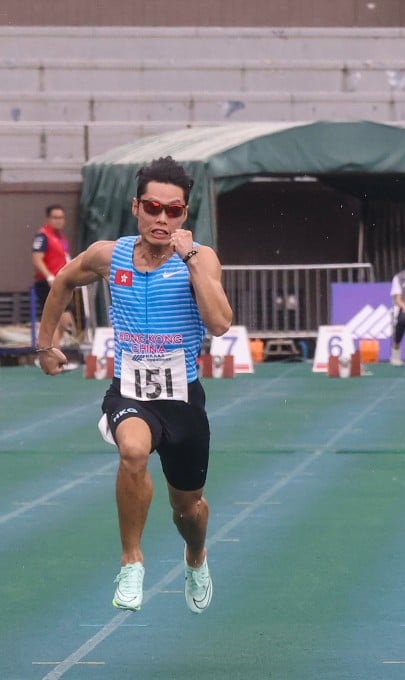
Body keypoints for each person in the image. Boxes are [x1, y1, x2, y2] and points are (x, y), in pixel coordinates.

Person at [36, 156, 233, 615]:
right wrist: (46, 344)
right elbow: (64, 279)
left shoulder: (200, 259)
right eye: (153, 207)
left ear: (186, 214)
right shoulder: (111, 254)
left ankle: (196, 556)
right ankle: (131, 561)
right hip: (130, 390)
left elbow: (221, 322)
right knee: (132, 452)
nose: (162, 219)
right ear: (136, 207)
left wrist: (189, 259)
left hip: (182, 398)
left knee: (189, 511)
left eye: (174, 211)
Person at [31, 203, 76, 352]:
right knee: (55, 320)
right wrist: (49, 277)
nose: (59, 220)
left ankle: (54, 350)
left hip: (62, 283)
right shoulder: (43, 236)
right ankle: (54, 355)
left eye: (61, 217)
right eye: (55, 217)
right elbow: (37, 259)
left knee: (65, 320)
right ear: (48, 218)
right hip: (47, 284)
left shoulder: (61, 238)